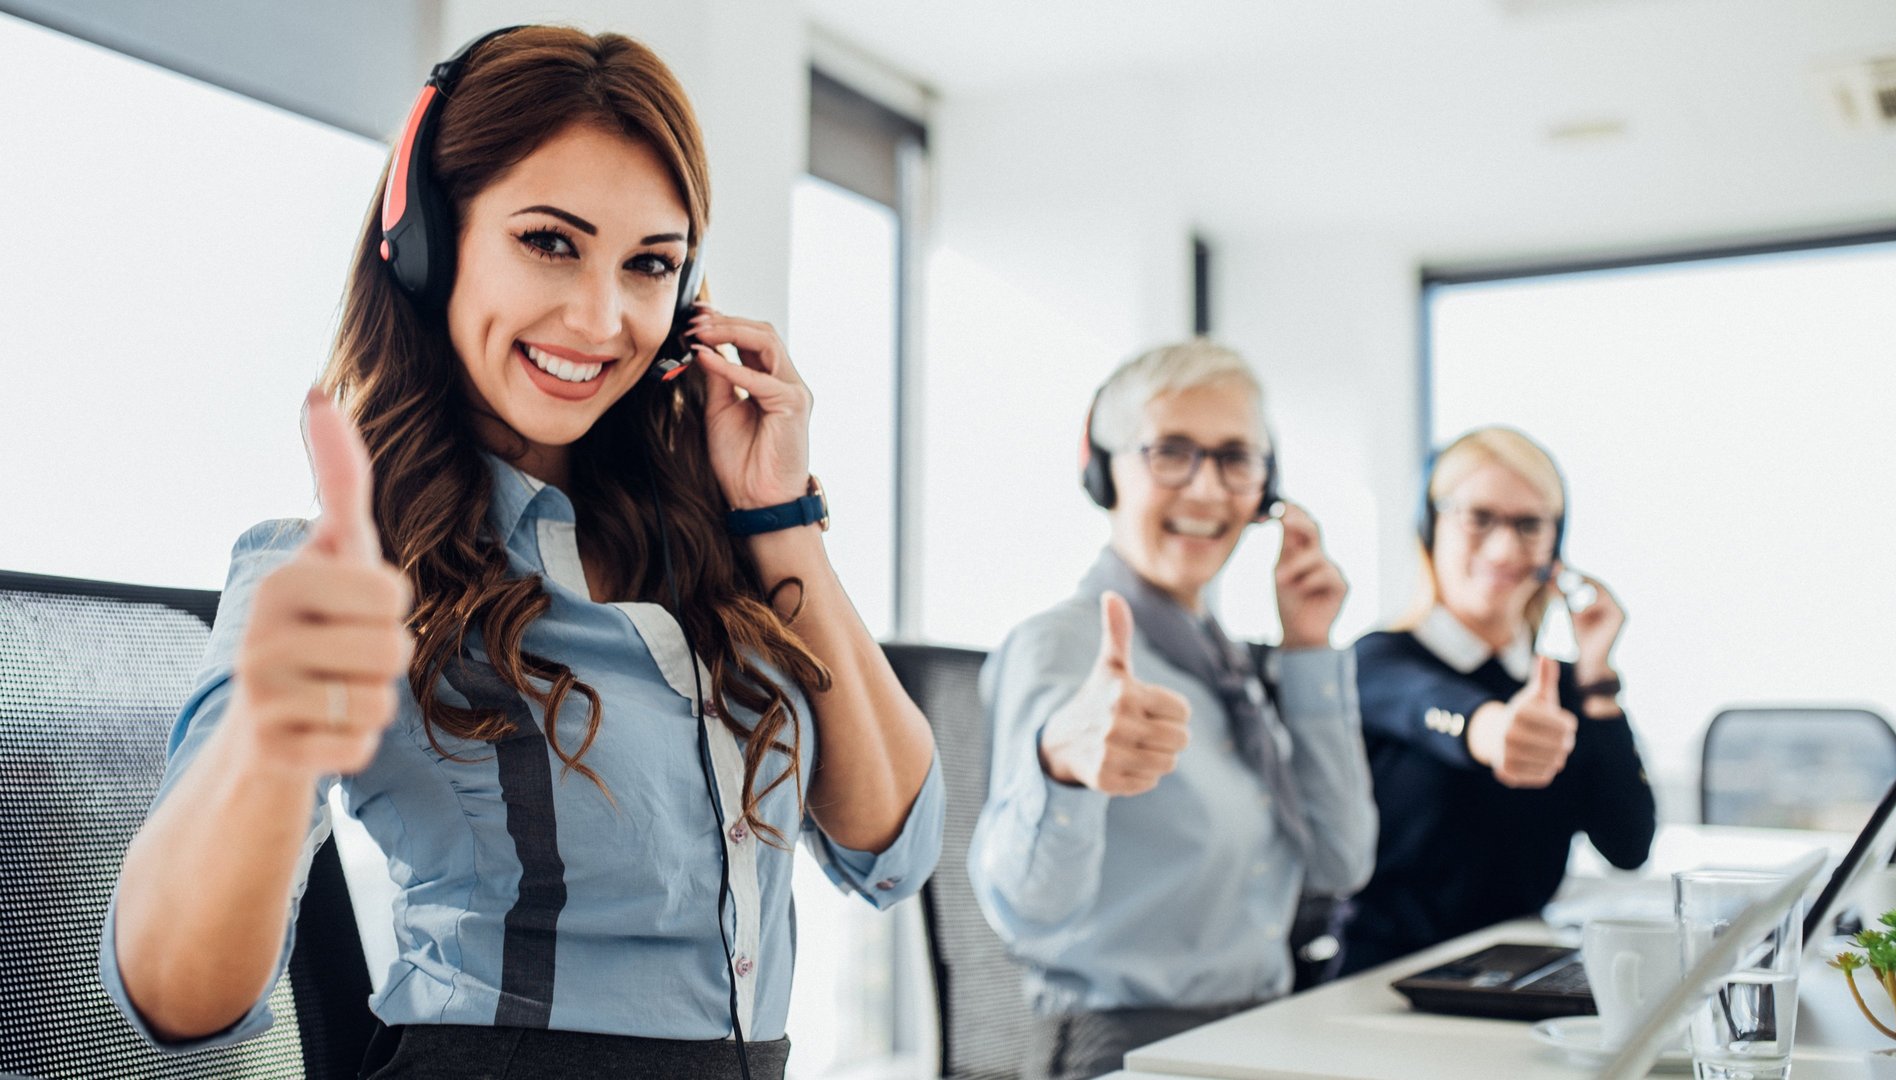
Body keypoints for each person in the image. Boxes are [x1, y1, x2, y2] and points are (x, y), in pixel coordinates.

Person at [100, 26, 942, 1078]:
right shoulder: (331, 572)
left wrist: (779, 519)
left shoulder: (703, 552)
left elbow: (891, 852)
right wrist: (266, 743)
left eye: (650, 265)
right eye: (550, 241)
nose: (601, 318)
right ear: (429, 243)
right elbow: (175, 1001)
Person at [970, 340, 1376, 1080]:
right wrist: (1059, 767)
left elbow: (1339, 861)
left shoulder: (1230, 668)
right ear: (1105, 470)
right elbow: (1027, 911)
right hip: (1125, 1051)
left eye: (1234, 458)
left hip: (1261, 1031)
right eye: (1171, 452)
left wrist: (1311, 652)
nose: (1206, 489)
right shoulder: (1062, 648)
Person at [1340, 426, 1653, 974]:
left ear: (1554, 546)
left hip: (1519, 973)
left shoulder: (1557, 687)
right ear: (1430, 528)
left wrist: (1597, 676)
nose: (1506, 547)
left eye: (1529, 524)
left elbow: (1628, 846)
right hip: (1385, 983)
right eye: (1479, 518)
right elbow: (1428, 705)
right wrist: (1489, 731)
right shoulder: (1377, 663)